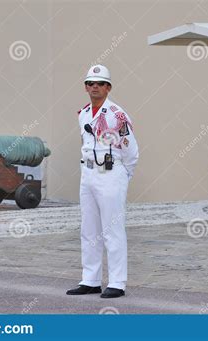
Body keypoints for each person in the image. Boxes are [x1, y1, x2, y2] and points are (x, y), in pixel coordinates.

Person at [66, 65, 139, 299]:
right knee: (89, 230)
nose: (94, 87)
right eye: (90, 83)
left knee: (112, 229)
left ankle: (117, 282)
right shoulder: (84, 113)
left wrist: (122, 175)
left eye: (99, 83)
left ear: (108, 87)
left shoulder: (117, 115)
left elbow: (130, 150)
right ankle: (91, 279)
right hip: (88, 174)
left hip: (110, 173)